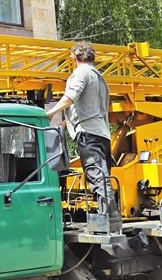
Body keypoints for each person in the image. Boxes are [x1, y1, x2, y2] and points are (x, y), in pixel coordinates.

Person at [46, 41, 120, 232]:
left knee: (97, 178)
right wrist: (64, 124)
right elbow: (90, 109)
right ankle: (111, 220)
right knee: (102, 177)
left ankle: (108, 223)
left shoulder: (81, 73)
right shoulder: (98, 77)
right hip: (101, 133)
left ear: (74, 58)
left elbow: (71, 96)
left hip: (89, 134)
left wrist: (50, 113)